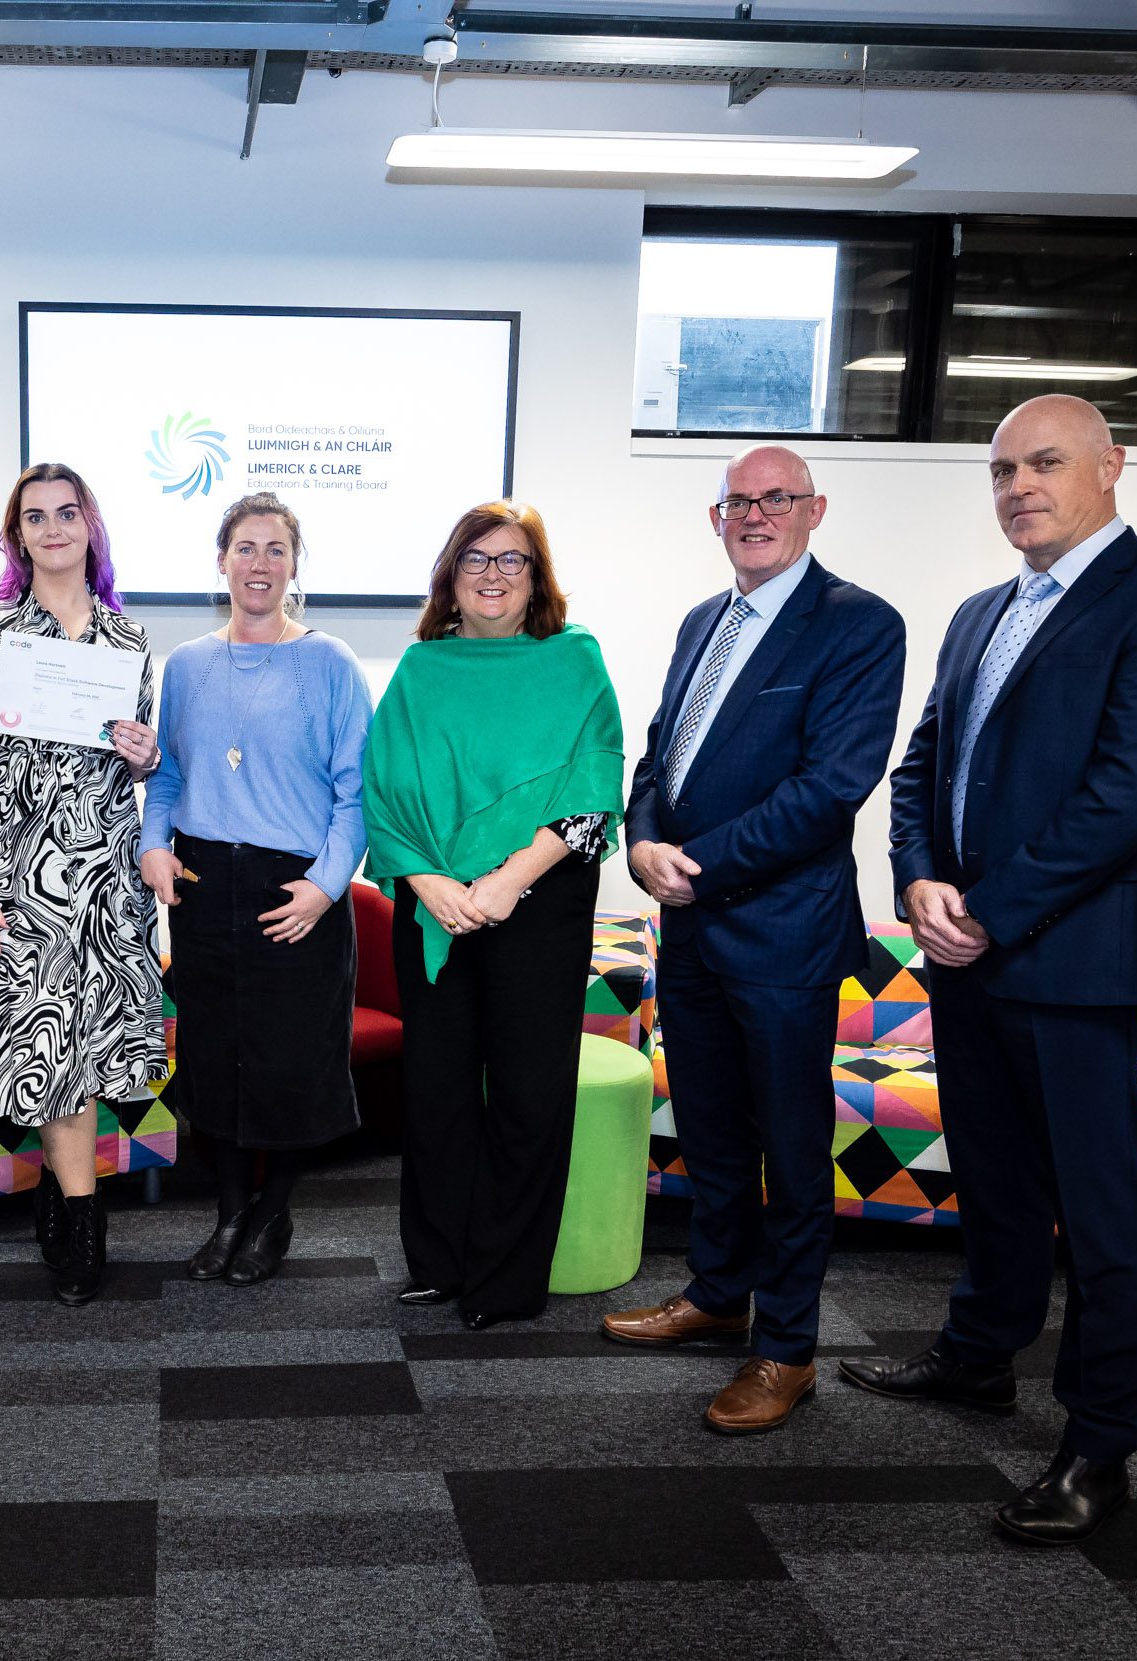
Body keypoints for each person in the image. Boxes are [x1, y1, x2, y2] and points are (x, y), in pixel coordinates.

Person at [854, 394, 1137, 1545]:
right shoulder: (981, 611)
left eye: (1046, 462)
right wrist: (918, 880)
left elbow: (1128, 791)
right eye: (1002, 468)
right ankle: (979, 1356)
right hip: (962, 951)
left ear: (1111, 466)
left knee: (1099, 1206)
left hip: (1070, 958)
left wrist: (986, 911)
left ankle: (1098, 1442)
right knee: (995, 1176)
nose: (1019, 484)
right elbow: (924, 761)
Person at [603, 446, 906, 1435]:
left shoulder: (857, 625)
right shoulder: (703, 622)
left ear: (814, 510)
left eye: (776, 498)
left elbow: (830, 787)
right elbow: (660, 755)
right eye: (739, 499)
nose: (756, 513)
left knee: (790, 1146)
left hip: (780, 934)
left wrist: (697, 861)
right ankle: (716, 1290)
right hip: (688, 928)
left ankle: (786, 1349)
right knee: (714, 1134)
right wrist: (643, 837)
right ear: (714, 515)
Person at [363, 500, 624, 1331]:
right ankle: (439, 1264)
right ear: (450, 576)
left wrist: (510, 878)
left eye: (512, 560)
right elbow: (383, 794)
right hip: (432, 907)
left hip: (538, 904)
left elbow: (594, 788)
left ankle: (507, 1280)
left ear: (537, 577)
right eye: (475, 559)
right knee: (437, 1090)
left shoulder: (573, 661)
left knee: (526, 1092)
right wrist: (426, 881)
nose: (493, 575)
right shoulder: (420, 669)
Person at [0, 462, 167, 1306]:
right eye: (35, 516)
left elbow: (138, 760)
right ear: (18, 535)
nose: (53, 527)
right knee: (44, 1052)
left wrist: (146, 756)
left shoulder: (128, 639)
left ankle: (63, 1200)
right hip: (14, 877)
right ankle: (84, 1219)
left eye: (67, 512)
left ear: (89, 525)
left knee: (87, 1055)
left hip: (104, 878)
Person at [140, 493, 373, 1286]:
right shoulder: (187, 665)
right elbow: (168, 777)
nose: (260, 564)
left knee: (291, 1061)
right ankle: (229, 1212)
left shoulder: (332, 663)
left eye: (276, 549)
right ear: (221, 560)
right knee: (216, 1059)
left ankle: (275, 1210)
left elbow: (356, 796)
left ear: (294, 564)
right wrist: (153, 845)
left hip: (296, 889)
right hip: (206, 885)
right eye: (245, 548)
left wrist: (324, 888)